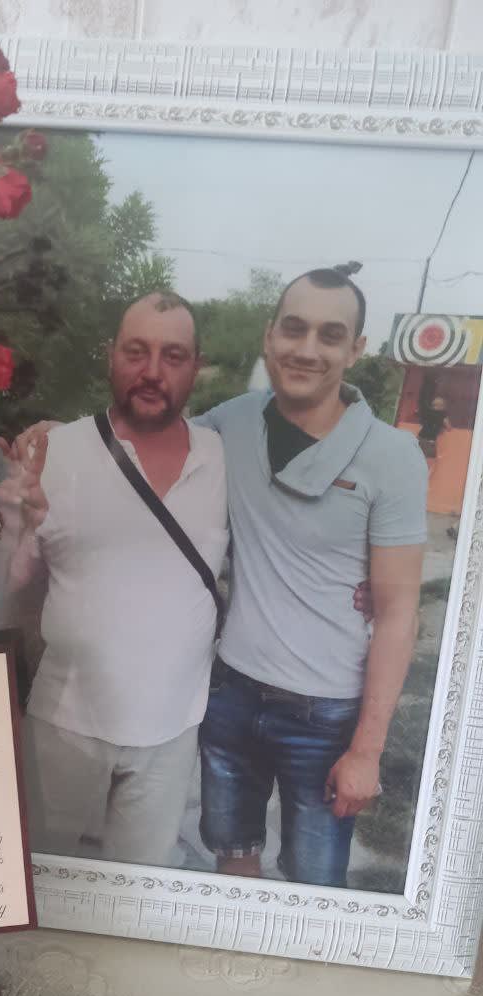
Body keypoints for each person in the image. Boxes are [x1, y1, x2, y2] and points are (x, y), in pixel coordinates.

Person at [196, 268, 427, 887]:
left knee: (315, 885)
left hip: (325, 716)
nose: (306, 349)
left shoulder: (391, 457)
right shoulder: (232, 423)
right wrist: (68, 437)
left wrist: (366, 751)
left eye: (330, 335)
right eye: (293, 329)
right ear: (269, 336)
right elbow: (152, 447)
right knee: (232, 859)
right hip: (232, 693)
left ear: (355, 350)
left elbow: (399, 614)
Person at [0, 292, 228, 865]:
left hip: (173, 731)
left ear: (196, 367)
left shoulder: (222, 456)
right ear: (110, 355)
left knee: (138, 887)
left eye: (173, 356)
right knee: (38, 874)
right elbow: (6, 585)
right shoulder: (56, 452)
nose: (152, 371)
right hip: (65, 727)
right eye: (135, 351)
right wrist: (15, 526)